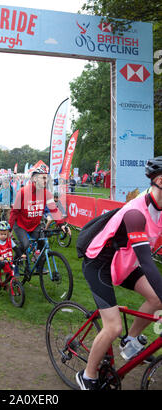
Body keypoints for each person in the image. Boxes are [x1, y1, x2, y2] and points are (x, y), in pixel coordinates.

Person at [76, 156, 162, 390]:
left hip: (124, 261)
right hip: (100, 264)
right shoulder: (136, 213)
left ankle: (131, 342)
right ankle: (88, 376)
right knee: (113, 327)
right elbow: (146, 261)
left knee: (155, 298)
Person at [9, 165, 66, 272]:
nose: (46, 180)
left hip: (34, 225)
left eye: (46, 178)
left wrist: (61, 224)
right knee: (25, 245)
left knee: (43, 242)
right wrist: (9, 229)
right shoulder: (22, 192)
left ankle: (39, 267)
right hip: (20, 225)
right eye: (43, 177)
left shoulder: (47, 194)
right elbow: (14, 212)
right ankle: (14, 266)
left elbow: (54, 210)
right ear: (34, 178)